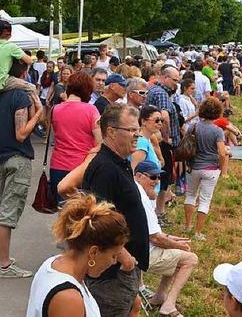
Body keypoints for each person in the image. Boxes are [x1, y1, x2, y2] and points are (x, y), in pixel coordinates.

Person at [81, 103, 149, 317]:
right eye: (131, 130)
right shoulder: (105, 168)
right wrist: (124, 257)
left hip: (123, 270)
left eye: (137, 130)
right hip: (112, 273)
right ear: (110, 131)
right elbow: (98, 219)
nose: (137, 135)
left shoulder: (119, 162)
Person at [26, 193, 129, 317]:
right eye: (114, 255)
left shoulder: (53, 263)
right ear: (93, 252)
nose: (114, 262)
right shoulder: (68, 298)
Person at [0, 59, 43, 277]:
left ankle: (4, 257)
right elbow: (21, 133)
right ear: (25, 71)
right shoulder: (20, 95)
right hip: (17, 158)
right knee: (8, 214)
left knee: (4, 210)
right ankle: (4, 264)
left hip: (0, 157)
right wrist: (37, 112)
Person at [134, 161, 198, 317]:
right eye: (153, 177)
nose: (157, 181)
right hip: (144, 255)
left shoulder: (138, 194)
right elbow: (156, 239)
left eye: (158, 177)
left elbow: (152, 234)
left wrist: (170, 239)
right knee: (191, 259)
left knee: (175, 250)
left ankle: (160, 296)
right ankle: (169, 305)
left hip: (140, 250)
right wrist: (176, 244)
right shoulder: (142, 198)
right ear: (138, 177)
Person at [50, 72, 101, 203]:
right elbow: (99, 142)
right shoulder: (91, 110)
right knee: (82, 212)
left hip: (58, 165)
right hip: (82, 167)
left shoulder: (55, 109)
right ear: (87, 89)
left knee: (64, 212)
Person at [184, 98, 229, 241]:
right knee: (205, 200)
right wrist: (221, 168)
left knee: (190, 195)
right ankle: (198, 232)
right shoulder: (217, 131)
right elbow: (222, 153)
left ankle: (187, 226)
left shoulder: (194, 127)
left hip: (193, 166)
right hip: (210, 168)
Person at [145, 66, 182, 217]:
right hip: (162, 143)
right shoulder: (162, 94)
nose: (176, 84)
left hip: (156, 139)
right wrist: (166, 138)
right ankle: (159, 212)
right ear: (165, 78)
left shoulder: (154, 90)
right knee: (163, 178)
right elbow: (165, 117)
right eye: (174, 80)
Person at [0, 20, 34, 94]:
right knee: (32, 88)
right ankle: (40, 106)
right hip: (1, 83)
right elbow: (30, 61)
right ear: (9, 34)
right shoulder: (11, 47)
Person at [131, 105, 164, 172]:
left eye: (161, 120)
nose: (160, 123)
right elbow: (134, 172)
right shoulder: (141, 143)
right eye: (157, 120)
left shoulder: (148, 139)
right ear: (143, 121)